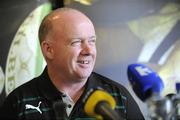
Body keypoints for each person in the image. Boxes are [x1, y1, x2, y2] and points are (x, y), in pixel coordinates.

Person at [0, 8, 144, 120]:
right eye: (76, 42)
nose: (88, 50)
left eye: (92, 41)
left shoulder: (118, 96)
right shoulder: (18, 102)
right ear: (49, 49)